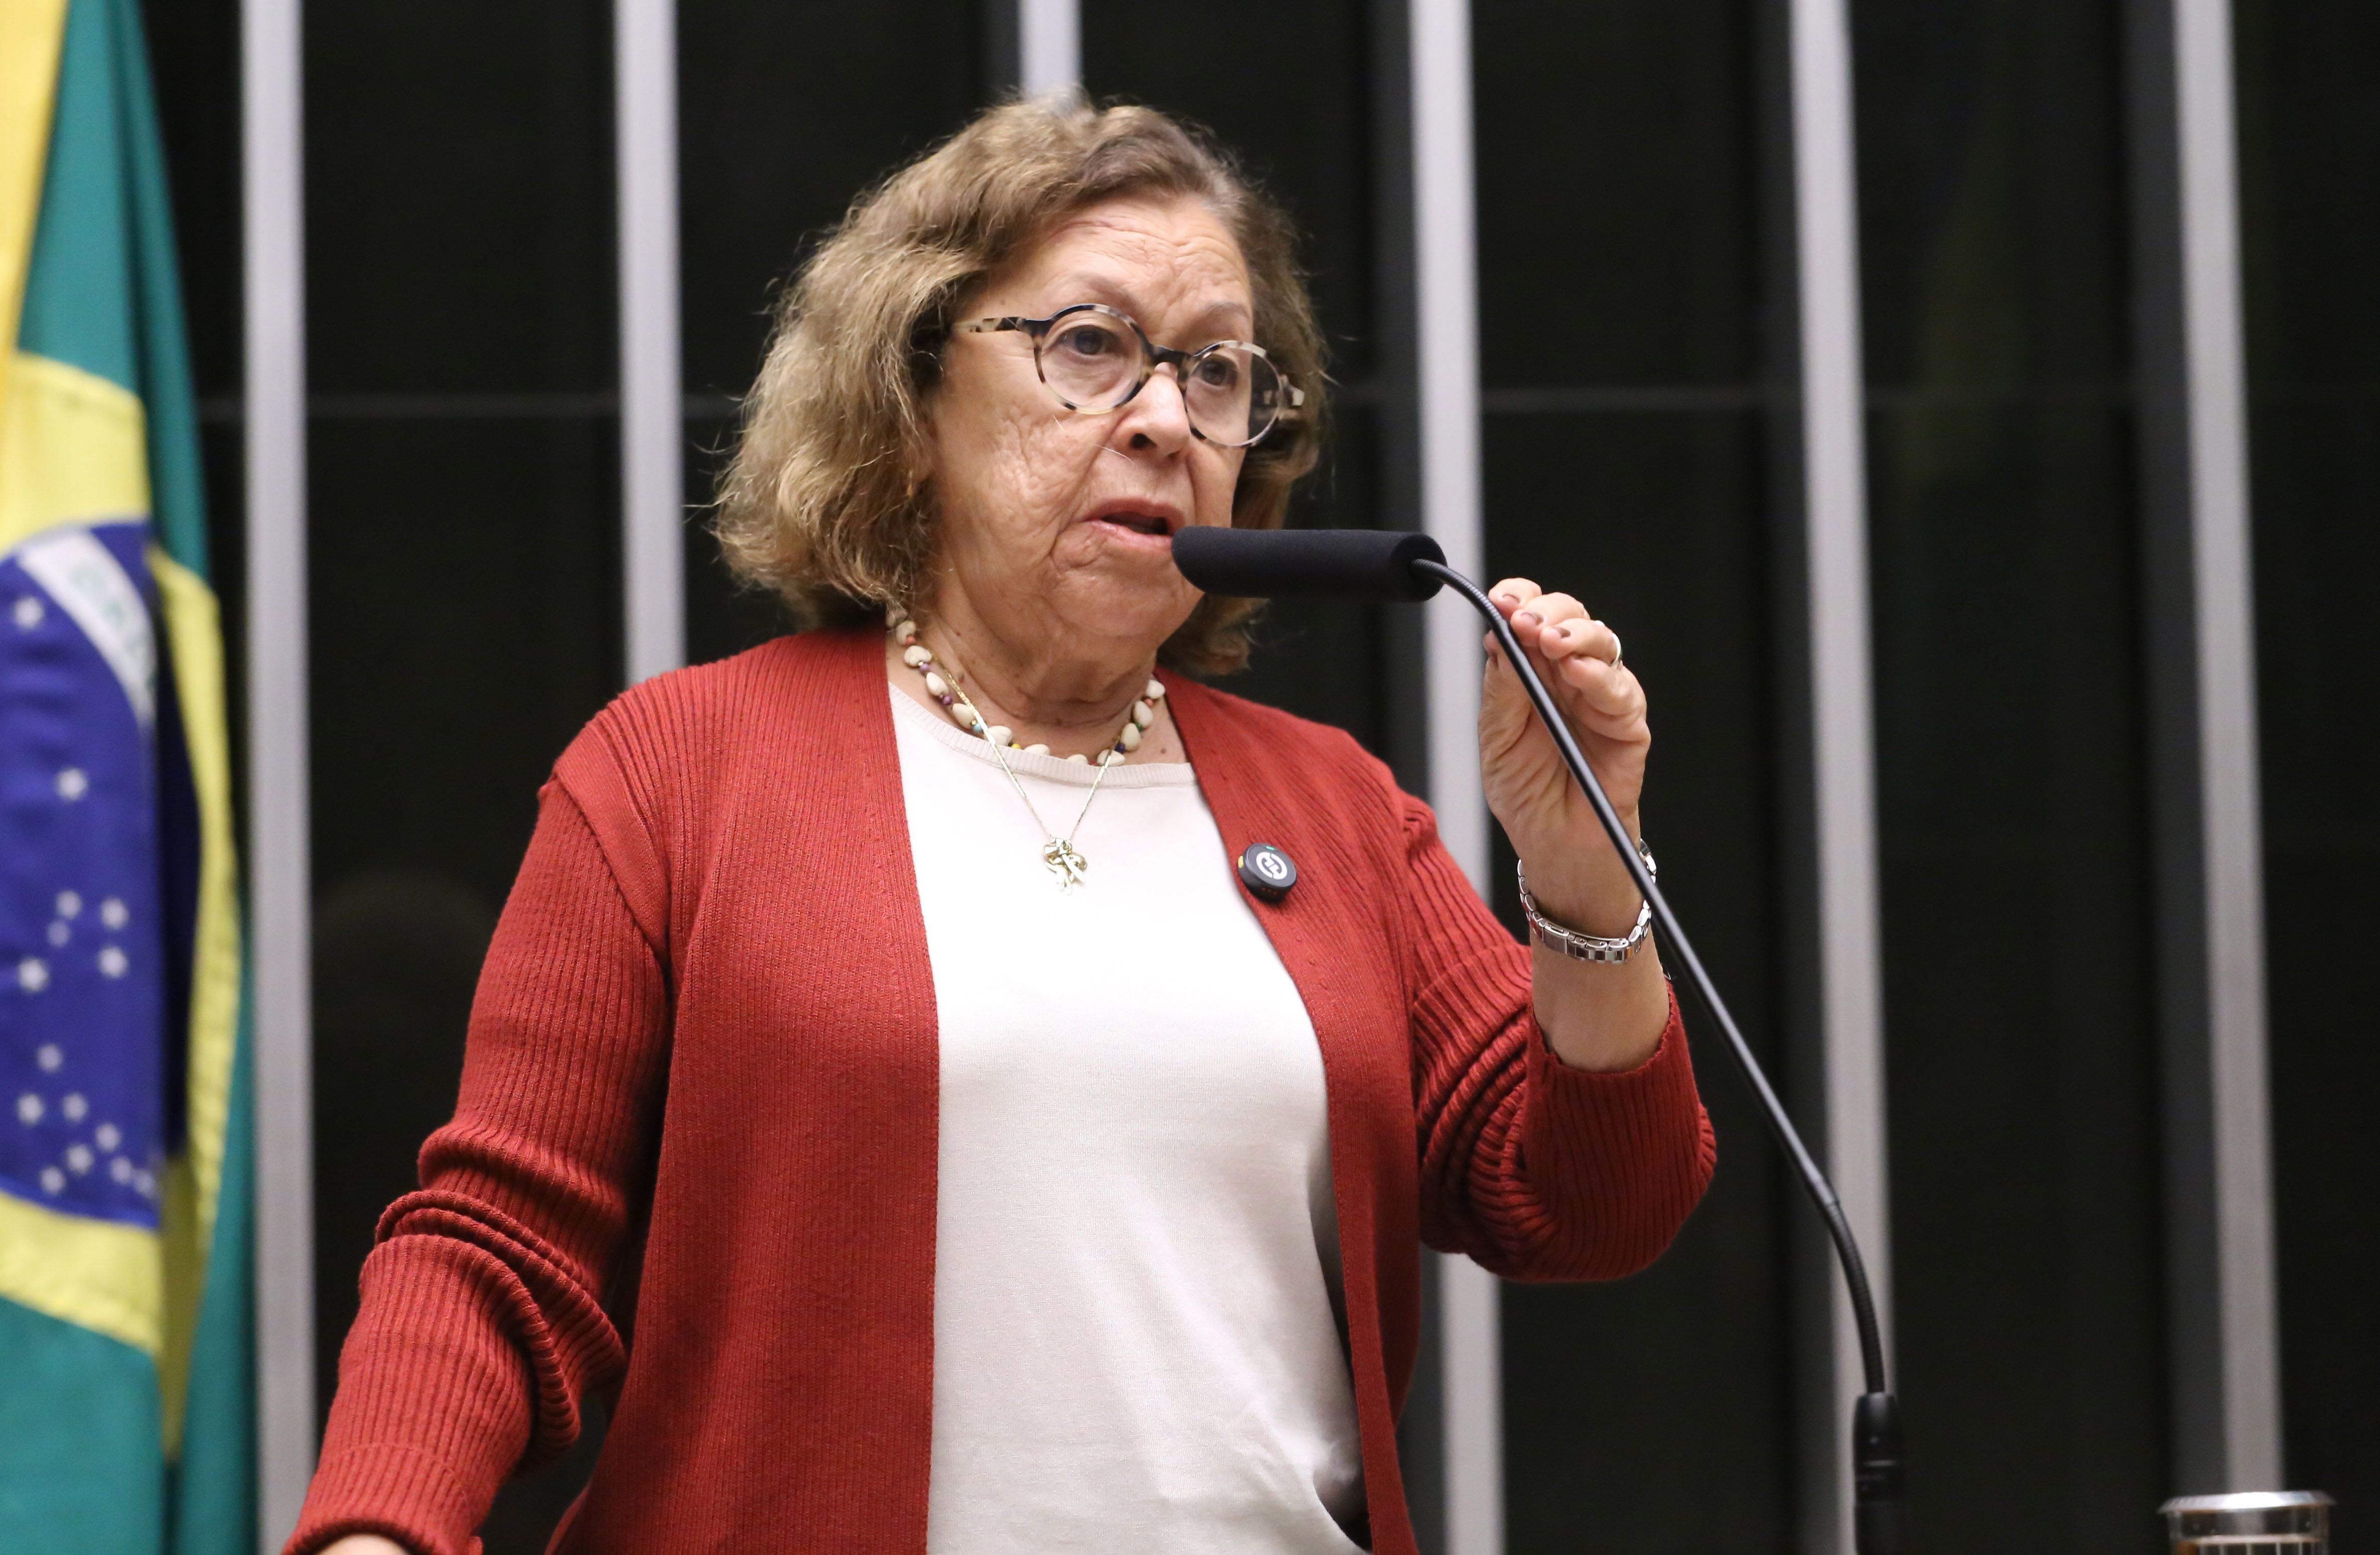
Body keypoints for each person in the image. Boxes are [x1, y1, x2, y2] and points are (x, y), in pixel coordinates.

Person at [295, 99, 1714, 1555]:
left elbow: (1592, 1204)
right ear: (912, 401)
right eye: (1090, 346)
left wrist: (1580, 865)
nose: (1165, 418)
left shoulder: (1335, 806)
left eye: (1219, 372)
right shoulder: (681, 773)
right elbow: (501, 1250)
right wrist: (377, 1532)